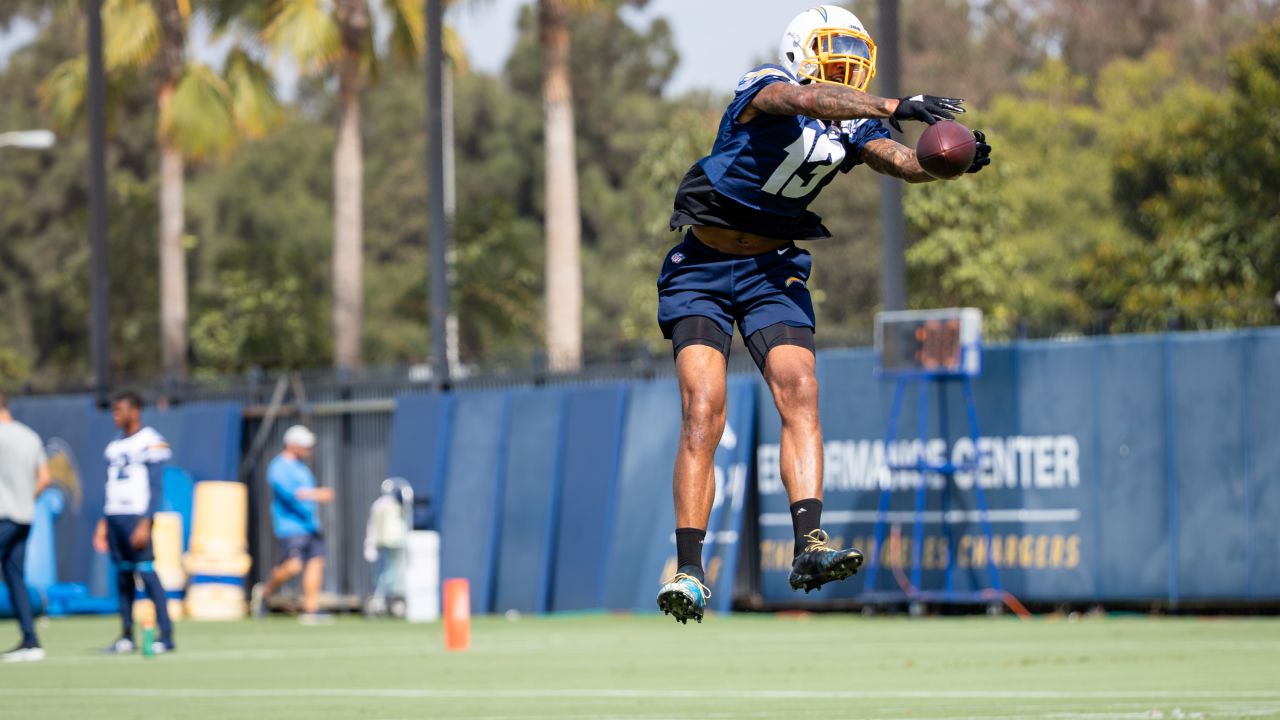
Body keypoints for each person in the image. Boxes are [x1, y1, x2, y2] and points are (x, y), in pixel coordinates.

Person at [655, 5, 992, 624]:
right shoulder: (764, 87)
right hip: (702, 265)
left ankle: (809, 544)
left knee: (801, 389)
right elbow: (800, 98)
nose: (848, 61)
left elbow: (903, 162)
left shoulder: (854, 130)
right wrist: (893, 104)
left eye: (854, 51)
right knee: (704, 406)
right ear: (799, 50)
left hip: (770, 270)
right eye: (833, 48)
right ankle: (689, 568)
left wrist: (950, 161)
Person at [96, 390, 176, 653]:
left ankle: (166, 635)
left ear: (136, 410)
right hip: (114, 515)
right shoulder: (115, 444)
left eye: (120, 410)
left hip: (136, 517)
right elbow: (110, 486)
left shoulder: (150, 441)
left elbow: (155, 486)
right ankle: (127, 635)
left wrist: (146, 520)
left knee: (146, 573)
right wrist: (103, 522)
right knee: (122, 576)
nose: (115, 415)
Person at [251, 425, 334, 623]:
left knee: (316, 562)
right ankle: (265, 593)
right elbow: (291, 493)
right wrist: (318, 494)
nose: (308, 450)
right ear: (292, 445)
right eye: (304, 445)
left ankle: (311, 608)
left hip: (310, 525)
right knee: (293, 566)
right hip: (290, 527)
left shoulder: (301, 467)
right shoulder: (278, 467)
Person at [0, 389, 51, 662]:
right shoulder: (30, 436)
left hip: (3, 517)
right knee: (15, 578)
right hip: (24, 517)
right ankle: (31, 641)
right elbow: (45, 478)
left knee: (14, 577)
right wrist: (24, 499)